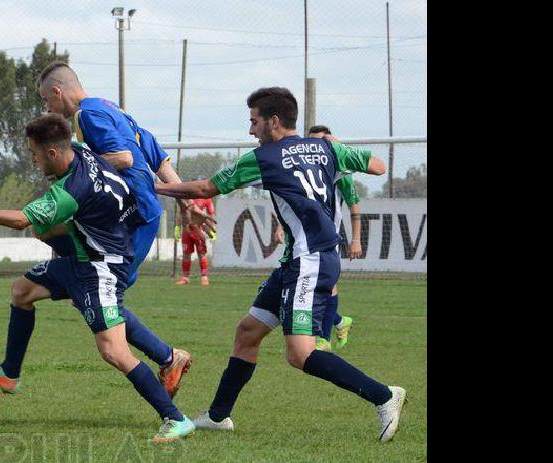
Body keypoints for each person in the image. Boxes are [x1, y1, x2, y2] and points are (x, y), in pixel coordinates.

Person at [155, 87, 406, 442]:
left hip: (310, 259)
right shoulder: (326, 147)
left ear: (273, 121)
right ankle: (218, 415)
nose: (250, 130)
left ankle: (384, 396)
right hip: (299, 261)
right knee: (248, 332)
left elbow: (206, 188)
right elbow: (377, 167)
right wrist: (331, 146)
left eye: (254, 122)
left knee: (300, 354)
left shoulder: (265, 157)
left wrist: (156, 187)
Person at [0, 114, 196, 443]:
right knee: (21, 291)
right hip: (82, 258)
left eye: (34, 155)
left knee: (113, 351)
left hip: (100, 268)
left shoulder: (72, 189)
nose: (33, 162)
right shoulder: (81, 151)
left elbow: (21, 220)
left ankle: (176, 419)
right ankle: (10, 372)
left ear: (51, 153)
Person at [35, 61, 213, 396]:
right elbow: (154, 153)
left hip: (133, 214)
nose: (48, 108)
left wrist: (77, 164)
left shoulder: (85, 117)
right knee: (82, 275)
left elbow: (125, 159)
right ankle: (166, 357)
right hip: (136, 211)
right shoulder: (111, 109)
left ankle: (168, 358)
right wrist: (187, 203)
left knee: (99, 291)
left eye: (47, 101)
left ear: (57, 92)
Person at [307, 125, 360, 350]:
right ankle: (339, 320)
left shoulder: (341, 172)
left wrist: (355, 239)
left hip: (328, 239)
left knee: (328, 286)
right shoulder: (306, 170)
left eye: (320, 142)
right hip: (304, 238)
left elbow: (354, 207)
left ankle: (323, 339)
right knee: (309, 288)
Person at [175, 196, 216, 286]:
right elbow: (181, 213)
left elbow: (208, 215)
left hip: (198, 230)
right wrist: (177, 227)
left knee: (201, 254)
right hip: (187, 231)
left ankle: (204, 277)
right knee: (186, 254)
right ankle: (185, 278)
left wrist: (212, 229)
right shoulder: (186, 198)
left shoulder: (206, 199)